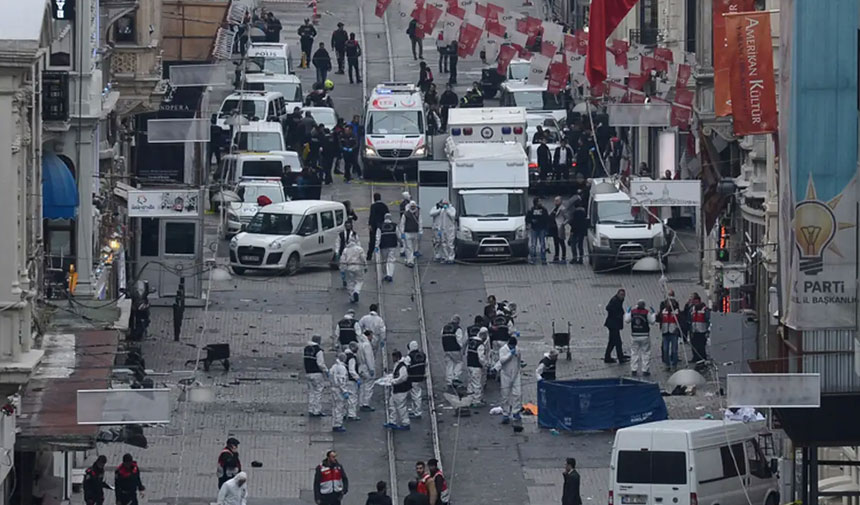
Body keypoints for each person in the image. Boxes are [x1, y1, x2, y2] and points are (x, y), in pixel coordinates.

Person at [624, 300, 656, 376]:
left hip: (634, 335)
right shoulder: (646, 312)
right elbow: (652, 322)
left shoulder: (633, 312)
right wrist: (654, 314)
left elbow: (627, 320)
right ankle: (645, 370)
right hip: (645, 335)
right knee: (646, 353)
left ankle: (634, 369)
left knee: (634, 352)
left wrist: (627, 312)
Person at [495, 336, 522, 424]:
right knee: (505, 395)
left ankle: (516, 412)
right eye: (511, 346)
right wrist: (510, 354)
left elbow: (518, 360)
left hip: (516, 374)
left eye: (514, 346)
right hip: (505, 375)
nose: (513, 348)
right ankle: (505, 413)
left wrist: (520, 366)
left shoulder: (517, 349)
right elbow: (502, 361)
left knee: (517, 394)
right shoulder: (503, 349)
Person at [385, 350, 411, 430]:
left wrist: (393, 381)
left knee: (401, 407)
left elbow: (403, 377)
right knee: (392, 405)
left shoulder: (402, 366)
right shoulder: (398, 365)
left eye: (393, 357)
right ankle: (392, 421)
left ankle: (405, 423)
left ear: (397, 357)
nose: (392, 359)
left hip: (401, 389)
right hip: (396, 389)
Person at [657, 290, 681, 371]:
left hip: (673, 332)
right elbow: (659, 318)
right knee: (665, 349)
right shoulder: (663, 311)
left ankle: (674, 364)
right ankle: (667, 364)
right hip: (665, 332)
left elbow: (680, 320)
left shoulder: (676, 311)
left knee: (674, 350)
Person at [305, 334, 329, 416]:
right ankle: (317, 411)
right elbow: (320, 364)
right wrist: (326, 371)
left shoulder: (306, 349)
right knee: (318, 392)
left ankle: (310, 409)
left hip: (308, 373)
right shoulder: (319, 350)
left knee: (311, 392)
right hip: (317, 373)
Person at [604, 289, 629, 364]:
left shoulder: (618, 300)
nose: (622, 296)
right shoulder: (615, 300)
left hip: (613, 324)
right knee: (618, 342)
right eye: (621, 295)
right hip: (613, 324)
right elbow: (608, 308)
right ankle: (620, 357)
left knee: (612, 341)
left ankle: (607, 357)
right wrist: (617, 314)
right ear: (617, 294)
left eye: (623, 295)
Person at [466, 327, 489, 406]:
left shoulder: (471, 341)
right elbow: (481, 358)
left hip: (469, 364)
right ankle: (476, 400)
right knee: (477, 383)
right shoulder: (480, 345)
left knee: (470, 383)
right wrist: (485, 365)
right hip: (476, 366)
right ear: (483, 335)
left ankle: (470, 398)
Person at [441, 315, 465, 387]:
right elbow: (459, 339)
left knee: (449, 364)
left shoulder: (444, 328)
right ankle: (455, 377)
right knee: (459, 362)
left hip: (446, 349)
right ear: (458, 322)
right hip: (455, 349)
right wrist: (461, 348)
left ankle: (449, 380)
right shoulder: (457, 329)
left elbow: (442, 336)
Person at [341, 237, 366, 303]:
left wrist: (342, 269)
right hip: (358, 267)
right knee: (359, 280)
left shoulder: (345, 250)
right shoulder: (359, 249)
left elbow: (342, 260)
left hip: (349, 268)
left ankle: (352, 295)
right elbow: (363, 258)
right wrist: (365, 266)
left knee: (350, 282)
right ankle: (356, 291)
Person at [688, 293, 710, 364]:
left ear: (698, 300)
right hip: (694, 331)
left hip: (702, 331)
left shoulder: (705, 309)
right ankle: (695, 358)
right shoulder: (692, 309)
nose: (693, 302)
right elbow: (689, 319)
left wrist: (707, 331)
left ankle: (702, 358)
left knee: (701, 346)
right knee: (694, 345)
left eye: (694, 300)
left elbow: (708, 320)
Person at [526, 197, 549, 265]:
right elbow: (527, 218)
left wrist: (546, 229)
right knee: (534, 244)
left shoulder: (544, 210)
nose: (540, 202)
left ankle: (543, 259)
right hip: (534, 229)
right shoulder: (531, 210)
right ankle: (533, 259)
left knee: (542, 244)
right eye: (539, 201)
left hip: (541, 229)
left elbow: (547, 219)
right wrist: (531, 221)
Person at [376, 213, 399, 282]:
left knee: (384, 260)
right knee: (391, 260)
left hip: (383, 245)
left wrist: (376, 246)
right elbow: (398, 235)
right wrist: (401, 242)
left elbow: (378, 237)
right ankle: (390, 275)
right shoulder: (394, 225)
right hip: (392, 245)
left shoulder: (380, 226)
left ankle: (385, 274)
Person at [357, 330, 376, 411]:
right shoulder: (367, 345)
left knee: (362, 386)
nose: (372, 338)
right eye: (371, 336)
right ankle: (366, 404)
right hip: (366, 368)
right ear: (368, 336)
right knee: (369, 386)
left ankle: (361, 403)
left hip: (360, 367)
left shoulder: (359, 344)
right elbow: (369, 358)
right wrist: (371, 369)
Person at [330, 353, 349, 432]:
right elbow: (342, 381)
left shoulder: (334, 367)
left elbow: (330, 376)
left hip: (333, 388)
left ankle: (334, 423)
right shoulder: (342, 368)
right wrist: (344, 391)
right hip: (339, 390)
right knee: (339, 407)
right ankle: (338, 424)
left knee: (334, 407)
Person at [406, 340, 426, 418]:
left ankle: (417, 412)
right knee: (416, 394)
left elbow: (405, 366)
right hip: (420, 377)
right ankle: (415, 410)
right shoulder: (423, 355)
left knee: (415, 395)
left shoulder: (409, 357)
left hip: (412, 378)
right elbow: (426, 365)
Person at [400, 201, 423, 268]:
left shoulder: (417, 214)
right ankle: (410, 261)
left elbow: (420, 223)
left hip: (415, 233)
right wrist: (402, 233)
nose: (413, 207)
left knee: (412, 247)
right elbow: (402, 224)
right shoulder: (406, 214)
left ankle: (410, 259)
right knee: (409, 247)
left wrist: (420, 231)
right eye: (412, 206)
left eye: (414, 206)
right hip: (407, 233)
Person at [368, 193, 390, 260]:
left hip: (374, 226)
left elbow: (372, 216)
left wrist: (370, 225)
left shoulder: (373, 206)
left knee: (372, 240)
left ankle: (369, 256)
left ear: (374, 198)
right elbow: (388, 215)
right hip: (383, 226)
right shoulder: (384, 206)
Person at [345, 343, 362, 420]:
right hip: (351, 380)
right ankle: (351, 414)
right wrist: (357, 378)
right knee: (353, 397)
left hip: (345, 379)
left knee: (346, 397)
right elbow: (351, 370)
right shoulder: (352, 358)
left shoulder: (345, 355)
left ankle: (345, 413)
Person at [548, 196, 567, 264]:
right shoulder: (554, 208)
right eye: (555, 201)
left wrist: (563, 224)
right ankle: (556, 257)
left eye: (557, 201)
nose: (555, 202)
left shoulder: (562, 209)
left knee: (561, 243)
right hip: (554, 228)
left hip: (559, 228)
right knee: (556, 243)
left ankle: (563, 258)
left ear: (561, 201)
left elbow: (566, 217)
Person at [568, 199, 587, 264]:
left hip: (575, 231)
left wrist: (572, 230)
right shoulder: (584, 212)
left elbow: (573, 222)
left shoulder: (574, 212)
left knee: (573, 245)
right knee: (580, 245)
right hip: (581, 231)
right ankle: (581, 259)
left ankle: (574, 258)